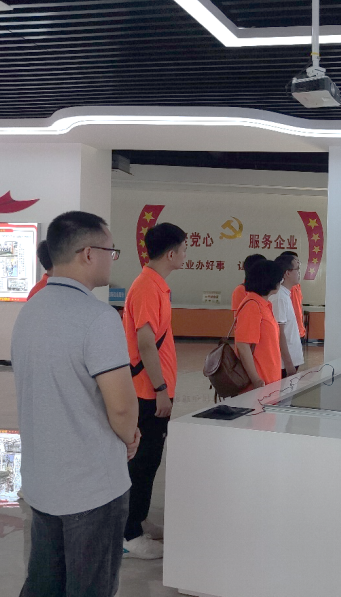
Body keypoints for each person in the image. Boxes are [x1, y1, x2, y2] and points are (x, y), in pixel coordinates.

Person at [12, 211, 140, 597]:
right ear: (88, 254)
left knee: (44, 583)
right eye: (110, 251)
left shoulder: (30, 310)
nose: (112, 259)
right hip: (91, 487)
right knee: (90, 587)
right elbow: (121, 408)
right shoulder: (98, 318)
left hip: (42, 480)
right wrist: (129, 437)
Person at [121, 222, 187, 559]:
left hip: (155, 388)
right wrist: (160, 388)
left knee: (150, 459)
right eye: (184, 249)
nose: (186, 255)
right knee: (142, 461)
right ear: (171, 253)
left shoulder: (157, 285)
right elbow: (146, 342)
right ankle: (129, 534)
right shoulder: (147, 287)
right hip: (148, 391)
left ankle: (140, 519)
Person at [234, 260, 284, 390]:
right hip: (258, 384)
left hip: (270, 379)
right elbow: (243, 345)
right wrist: (256, 379)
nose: (281, 282)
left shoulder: (263, 305)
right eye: (279, 278)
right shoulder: (252, 305)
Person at [269, 254, 304, 378]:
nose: (299, 273)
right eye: (297, 269)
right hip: (284, 364)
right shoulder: (279, 297)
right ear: (287, 273)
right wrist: (288, 363)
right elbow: (279, 333)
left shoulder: (285, 294)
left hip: (291, 360)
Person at [278, 250, 306, 339]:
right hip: (290, 333)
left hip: (297, 329)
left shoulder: (296, 286)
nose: (299, 271)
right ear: (287, 272)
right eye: (296, 268)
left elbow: (299, 306)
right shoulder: (280, 295)